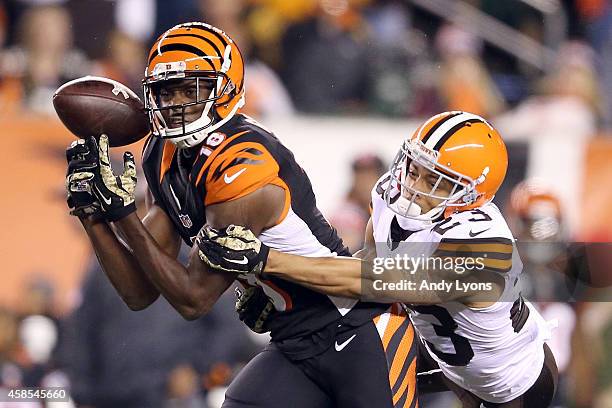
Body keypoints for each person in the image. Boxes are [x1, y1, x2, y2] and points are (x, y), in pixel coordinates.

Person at [64, 22, 417, 408]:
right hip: (293, 339)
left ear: (224, 89)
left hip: (357, 331)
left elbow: (193, 299)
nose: (176, 103)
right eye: (167, 92)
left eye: (191, 90)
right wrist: (95, 216)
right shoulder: (163, 155)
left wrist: (124, 213)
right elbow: (139, 291)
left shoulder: (243, 163)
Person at [197, 111, 559, 407]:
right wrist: (287, 294)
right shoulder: (390, 196)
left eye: (436, 180)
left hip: (510, 383)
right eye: (415, 167)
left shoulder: (484, 252)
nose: (414, 182)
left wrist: (266, 260)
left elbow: (370, 280)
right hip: (442, 353)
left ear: (470, 194)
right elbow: (367, 265)